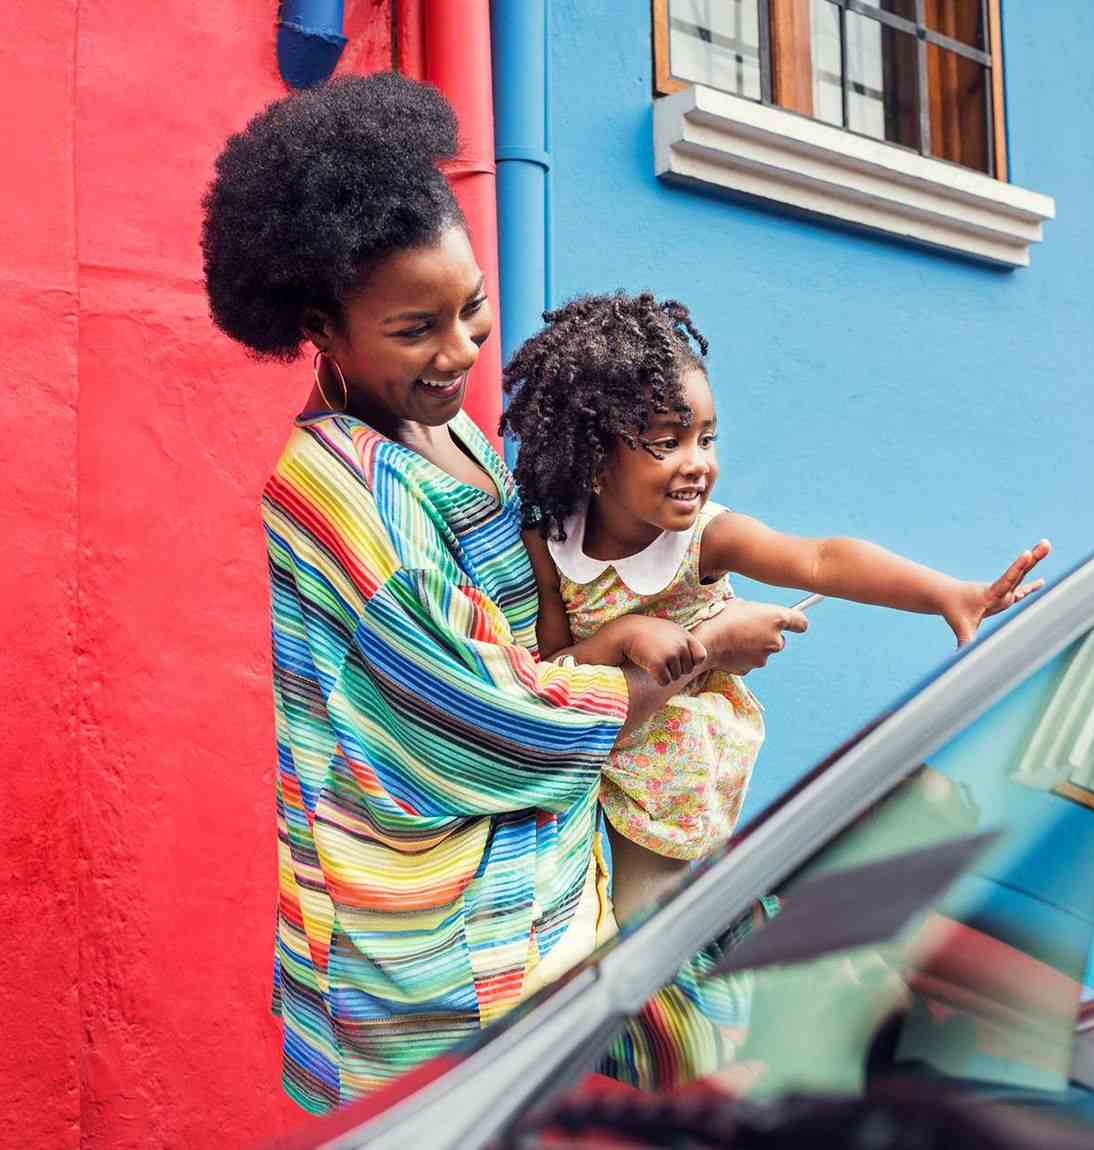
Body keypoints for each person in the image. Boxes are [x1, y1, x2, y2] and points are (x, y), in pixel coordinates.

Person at [200, 73, 804, 1113]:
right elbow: (481, 717)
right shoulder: (339, 494)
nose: (460, 350)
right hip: (450, 935)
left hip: (546, 883)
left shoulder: (442, 429)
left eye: (472, 307)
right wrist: (689, 651)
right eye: (414, 327)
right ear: (322, 327)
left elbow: (531, 634)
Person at [500, 291, 1050, 923]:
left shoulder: (704, 537)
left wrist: (946, 595)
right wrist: (625, 635)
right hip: (582, 768)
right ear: (595, 458)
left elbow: (821, 560)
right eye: (667, 441)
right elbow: (553, 668)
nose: (698, 464)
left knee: (642, 942)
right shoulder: (551, 541)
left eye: (706, 438)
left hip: (670, 785)